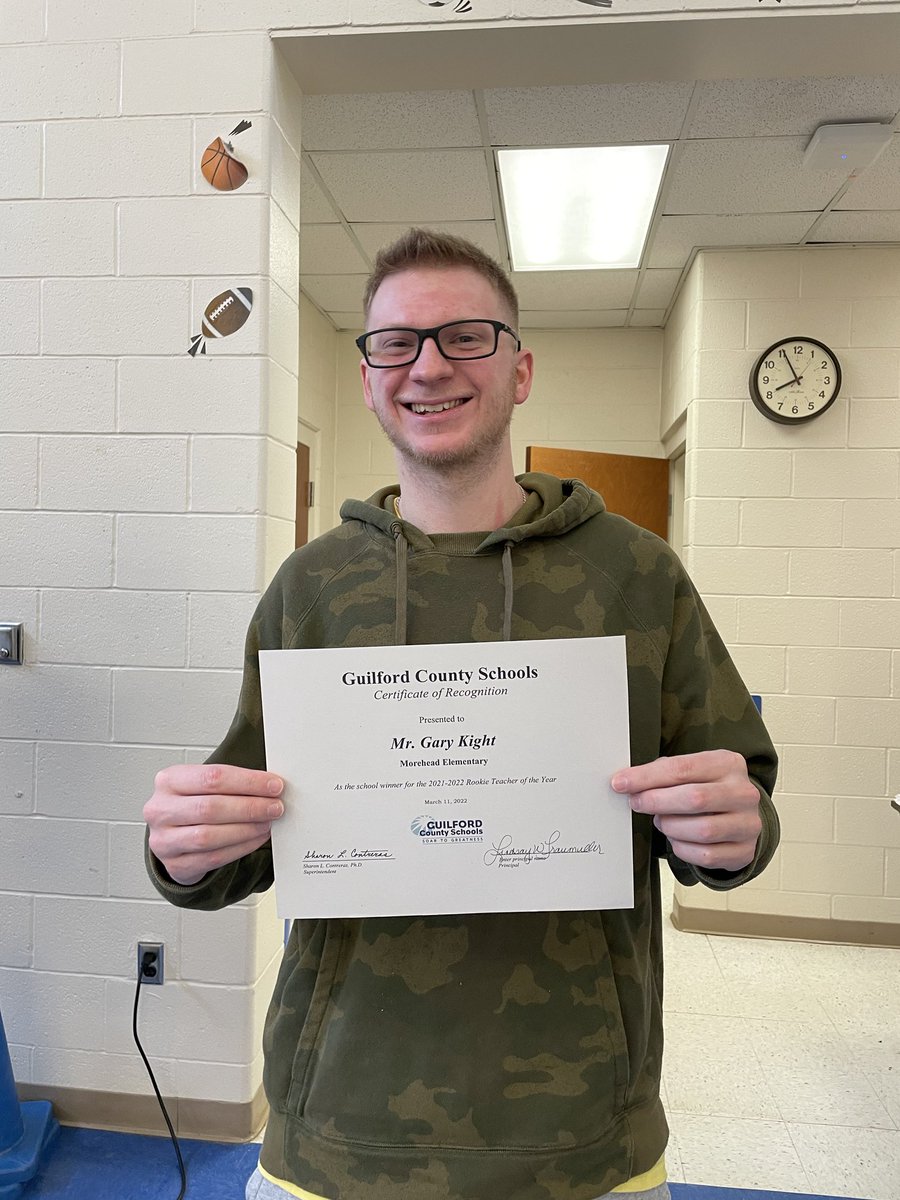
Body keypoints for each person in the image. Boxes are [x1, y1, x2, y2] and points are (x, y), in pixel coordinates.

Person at [145, 229, 779, 1200]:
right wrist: (188, 851)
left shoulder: (637, 574)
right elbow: (257, 827)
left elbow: (732, 800)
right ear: (367, 378)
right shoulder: (311, 587)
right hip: (335, 1133)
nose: (428, 364)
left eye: (465, 337)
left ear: (519, 369)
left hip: (583, 1140)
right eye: (395, 342)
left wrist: (734, 829)